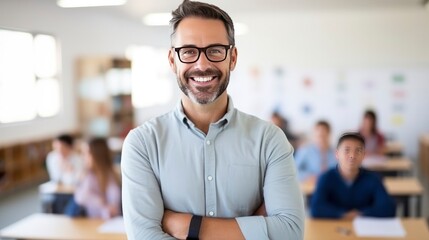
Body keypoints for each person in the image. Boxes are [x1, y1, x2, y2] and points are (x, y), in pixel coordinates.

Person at [121, 1, 304, 239]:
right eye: (188, 51)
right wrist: (254, 228)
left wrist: (189, 226)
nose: (202, 64)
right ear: (172, 60)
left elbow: (289, 233)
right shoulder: (142, 144)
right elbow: (144, 236)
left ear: (233, 58)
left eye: (215, 50)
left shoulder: (270, 141)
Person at [310, 132, 396, 219]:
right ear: (337, 154)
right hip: (333, 228)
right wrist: (343, 214)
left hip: (366, 228)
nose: (352, 155)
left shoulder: (373, 178)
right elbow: (316, 208)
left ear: (363, 155)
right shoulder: (326, 178)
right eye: (347, 150)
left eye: (358, 151)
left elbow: (388, 208)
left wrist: (361, 214)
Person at [73, 137, 121, 219]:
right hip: (91, 221)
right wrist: (101, 202)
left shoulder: (111, 175)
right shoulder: (87, 174)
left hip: (107, 222)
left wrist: (102, 205)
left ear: (97, 155)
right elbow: (80, 198)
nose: (83, 157)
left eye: (87, 153)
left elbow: (114, 206)